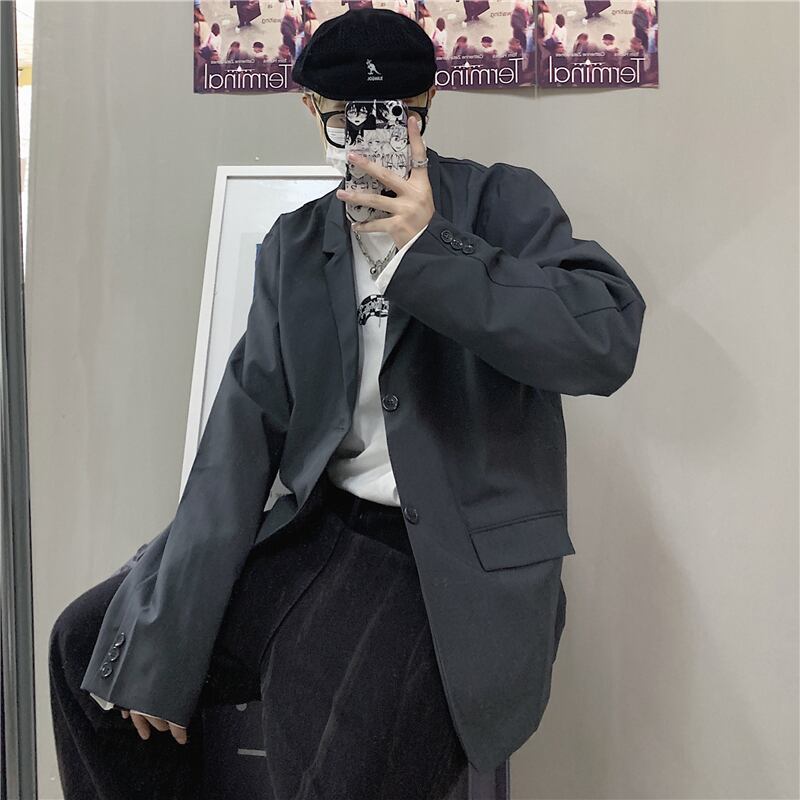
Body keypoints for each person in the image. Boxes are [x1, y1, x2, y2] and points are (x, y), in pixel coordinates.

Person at [50, 7, 646, 800]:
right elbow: (239, 441)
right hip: (320, 529)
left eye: (393, 114)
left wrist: (432, 250)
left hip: (445, 558)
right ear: (312, 111)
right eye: (346, 119)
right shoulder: (297, 247)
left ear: (427, 101)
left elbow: (604, 343)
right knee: (88, 650)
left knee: (334, 754)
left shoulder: (501, 204)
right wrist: (164, 638)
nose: (368, 137)